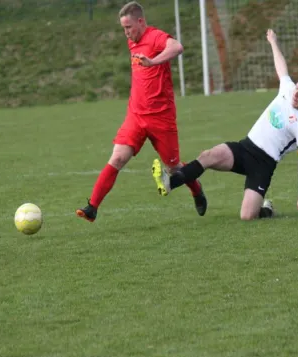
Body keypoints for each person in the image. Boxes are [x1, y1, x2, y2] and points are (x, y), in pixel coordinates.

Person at [152, 29, 298, 221]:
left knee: (247, 216)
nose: (295, 94)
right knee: (208, 156)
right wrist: (273, 41)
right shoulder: (288, 89)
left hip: (263, 164)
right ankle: (170, 183)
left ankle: (267, 209)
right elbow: (281, 67)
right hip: (244, 148)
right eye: (297, 88)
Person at [76, 1, 207, 222]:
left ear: (140, 21)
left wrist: (153, 62)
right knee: (117, 158)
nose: (126, 33)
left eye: (129, 27)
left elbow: (177, 47)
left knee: (174, 167)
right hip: (136, 116)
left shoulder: (155, 36)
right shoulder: (132, 41)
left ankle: (196, 190)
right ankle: (92, 208)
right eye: (123, 29)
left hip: (161, 117)